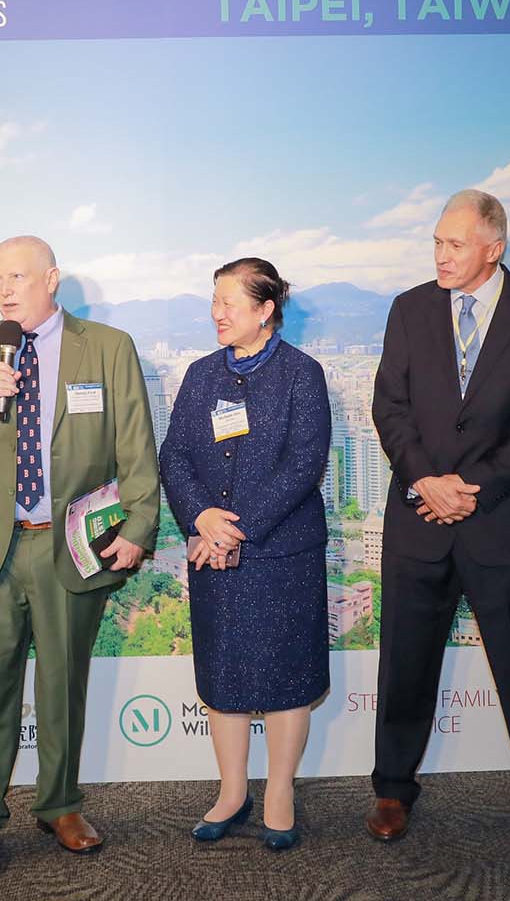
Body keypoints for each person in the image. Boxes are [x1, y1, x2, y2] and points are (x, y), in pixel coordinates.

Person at [0, 236, 161, 880]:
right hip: (0, 547)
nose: (4, 290)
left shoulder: (108, 347)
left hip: (72, 545)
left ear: (52, 279)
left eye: (18, 277)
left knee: (63, 683)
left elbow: (136, 445)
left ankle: (60, 805)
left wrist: (140, 524)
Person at [367, 189, 510, 846]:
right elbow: (390, 405)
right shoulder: (409, 309)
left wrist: (471, 488)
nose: (441, 255)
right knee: (405, 661)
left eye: (455, 244)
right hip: (419, 516)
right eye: (437, 242)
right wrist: (426, 482)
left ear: (494, 248)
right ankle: (392, 788)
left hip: (500, 519)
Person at [159, 258, 331, 852]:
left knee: (287, 675)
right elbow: (174, 455)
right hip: (213, 551)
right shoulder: (200, 374)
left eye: (229, 303)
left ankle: (279, 792)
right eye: (214, 301)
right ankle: (232, 792)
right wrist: (201, 518)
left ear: (265, 310)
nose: (217, 313)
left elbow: (304, 464)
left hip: (283, 553)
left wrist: (238, 528)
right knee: (223, 673)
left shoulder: (302, 374)